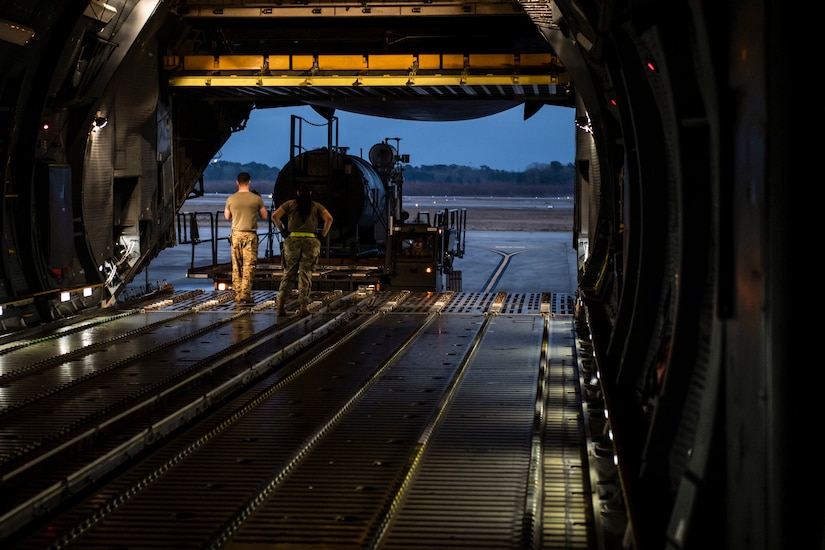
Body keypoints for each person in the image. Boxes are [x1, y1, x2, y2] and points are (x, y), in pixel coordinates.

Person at [271, 183, 333, 316]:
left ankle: (281, 306)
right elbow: (329, 218)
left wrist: (282, 231)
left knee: (288, 273)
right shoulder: (316, 206)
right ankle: (303, 307)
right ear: (310, 193)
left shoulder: (289, 204)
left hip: (292, 241)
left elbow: (275, 216)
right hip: (311, 242)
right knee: (305, 274)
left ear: (297, 193)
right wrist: (322, 235)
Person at [223, 172, 267, 304]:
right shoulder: (256, 199)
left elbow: (227, 216)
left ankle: (237, 293)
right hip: (250, 235)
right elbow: (264, 216)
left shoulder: (231, 199)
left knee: (236, 265)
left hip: (236, 235)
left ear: (237, 182)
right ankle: (245, 293)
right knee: (249, 265)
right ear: (249, 182)